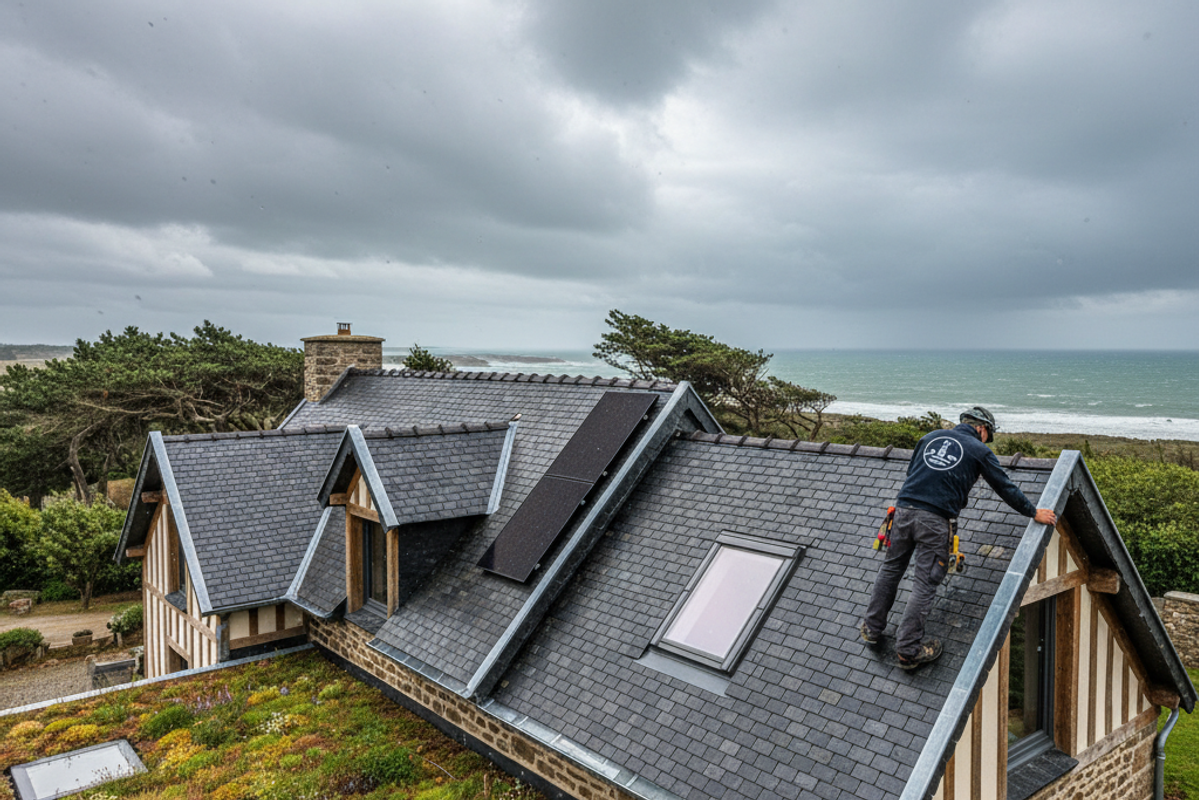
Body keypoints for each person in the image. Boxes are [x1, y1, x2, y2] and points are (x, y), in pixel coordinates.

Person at [859, 406, 1058, 670]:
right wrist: (1033, 512)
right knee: (924, 583)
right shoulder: (979, 450)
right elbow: (1004, 486)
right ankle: (908, 651)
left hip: (902, 513)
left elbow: (912, 474)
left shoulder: (929, 438)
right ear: (982, 428)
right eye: (988, 435)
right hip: (934, 520)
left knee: (891, 568)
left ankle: (872, 629)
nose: (987, 439)